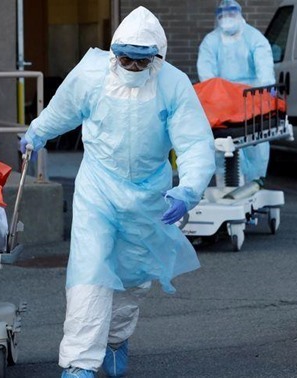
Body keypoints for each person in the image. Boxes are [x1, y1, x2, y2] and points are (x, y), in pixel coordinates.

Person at [19, 6, 215, 378]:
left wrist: (188, 189)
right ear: (113, 53)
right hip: (98, 188)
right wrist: (38, 132)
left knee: (132, 280)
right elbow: (62, 108)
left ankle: (115, 339)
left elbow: (194, 143)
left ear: (158, 57)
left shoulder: (173, 85)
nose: (132, 68)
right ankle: (80, 362)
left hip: (148, 196)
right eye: (125, 59)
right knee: (89, 271)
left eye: (141, 62)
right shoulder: (92, 74)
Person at [197, 0, 276, 184]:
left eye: (231, 14)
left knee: (255, 149)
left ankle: (255, 183)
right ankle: (226, 187)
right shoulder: (211, 42)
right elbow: (208, 79)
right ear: (218, 18)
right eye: (223, 15)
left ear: (240, 14)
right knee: (222, 151)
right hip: (223, 105)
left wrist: (261, 95)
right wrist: (222, 97)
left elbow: (265, 74)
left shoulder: (255, 39)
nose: (227, 19)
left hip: (251, 102)